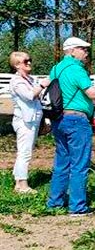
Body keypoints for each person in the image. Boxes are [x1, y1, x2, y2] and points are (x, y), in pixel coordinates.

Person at [47, 36, 95, 216]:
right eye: (83, 49)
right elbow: (93, 93)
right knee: (80, 164)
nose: (86, 53)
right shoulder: (76, 69)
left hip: (60, 120)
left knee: (61, 162)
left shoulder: (56, 69)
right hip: (77, 121)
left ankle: (55, 202)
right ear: (72, 51)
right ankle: (77, 207)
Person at [8, 52, 50, 194]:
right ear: (17, 65)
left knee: (26, 150)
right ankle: (22, 185)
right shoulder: (16, 81)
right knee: (24, 152)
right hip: (25, 122)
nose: (29, 63)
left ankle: (18, 181)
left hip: (33, 120)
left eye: (30, 60)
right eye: (26, 61)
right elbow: (29, 95)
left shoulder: (30, 80)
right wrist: (43, 84)